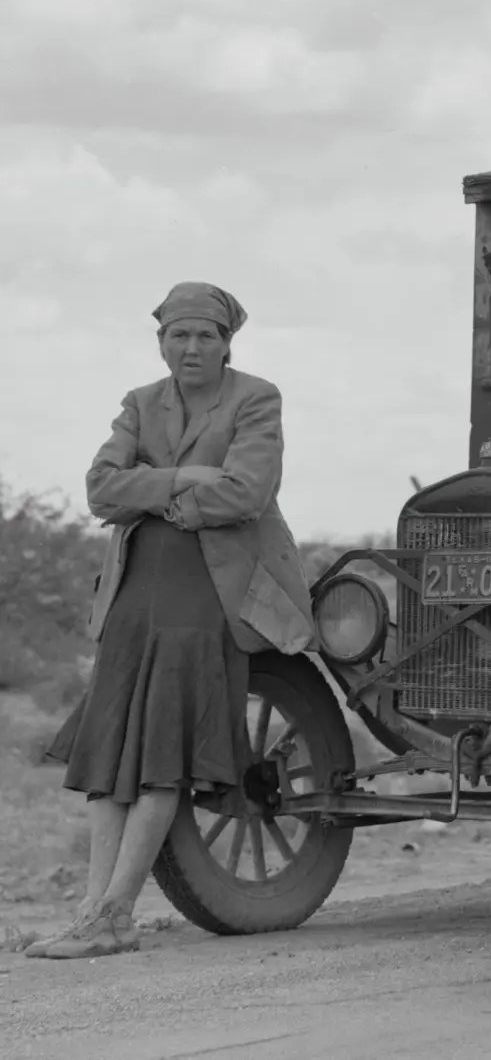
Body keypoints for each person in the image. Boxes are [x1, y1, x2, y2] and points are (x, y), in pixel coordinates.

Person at [31, 282, 315, 961]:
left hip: (209, 592)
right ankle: (94, 914)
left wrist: (154, 486)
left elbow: (247, 491)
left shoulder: (255, 397)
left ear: (227, 343)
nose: (191, 348)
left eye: (205, 336)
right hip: (134, 592)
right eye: (178, 336)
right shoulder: (139, 403)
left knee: (162, 760)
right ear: (161, 342)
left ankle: (114, 913)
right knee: (110, 756)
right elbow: (102, 488)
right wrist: (189, 478)